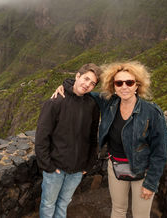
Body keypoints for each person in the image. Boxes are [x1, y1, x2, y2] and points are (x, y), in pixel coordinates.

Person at [52, 61, 167, 218]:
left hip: (143, 171)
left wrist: (151, 183)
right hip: (116, 168)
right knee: (118, 210)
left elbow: (160, 151)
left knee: (140, 215)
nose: (124, 86)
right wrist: (65, 86)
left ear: (137, 85)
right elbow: (83, 89)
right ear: (113, 86)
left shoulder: (152, 112)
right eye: (119, 83)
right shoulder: (109, 103)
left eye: (129, 82)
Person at [35, 63, 102, 218]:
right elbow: (41, 137)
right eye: (86, 79)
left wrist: (89, 162)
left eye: (92, 83)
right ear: (77, 76)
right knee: (48, 204)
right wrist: (48, 166)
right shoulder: (56, 101)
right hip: (56, 168)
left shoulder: (92, 105)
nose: (87, 85)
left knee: (64, 203)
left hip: (77, 169)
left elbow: (92, 136)